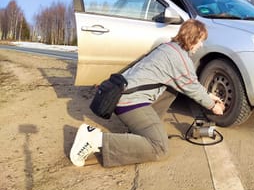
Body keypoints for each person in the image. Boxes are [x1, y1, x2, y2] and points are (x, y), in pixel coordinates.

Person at [69, 19, 225, 167]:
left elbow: (189, 84)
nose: (201, 44)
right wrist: (213, 106)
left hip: (123, 96)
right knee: (160, 147)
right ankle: (95, 139)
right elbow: (192, 87)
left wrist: (210, 96)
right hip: (130, 102)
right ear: (192, 38)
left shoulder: (168, 48)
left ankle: (140, 131)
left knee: (173, 89)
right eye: (200, 40)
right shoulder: (179, 58)